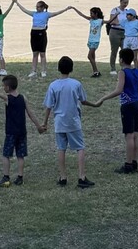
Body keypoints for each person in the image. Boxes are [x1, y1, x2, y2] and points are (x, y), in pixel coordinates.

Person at [92, 48, 138, 174]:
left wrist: (103, 98)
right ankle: (135, 162)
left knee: (129, 135)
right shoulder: (137, 70)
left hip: (127, 105)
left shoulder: (122, 72)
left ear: (121, 59)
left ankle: (128, 164)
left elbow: (119, 90)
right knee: (136, 133)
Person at [42, 56, 98, 188]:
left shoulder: (53, 85)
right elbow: (83, 100)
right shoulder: (76, 84)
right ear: (71, 69)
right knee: (80, 147)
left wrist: (44, 123)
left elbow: (48, 106)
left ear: (58, 69)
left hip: (59, 122)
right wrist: (95, 104)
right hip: (73, 121)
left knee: (61, 149)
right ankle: (81, 176)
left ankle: (63, 177)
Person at [0, 73, 45, 187]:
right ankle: (20, 177)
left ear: (8, 87)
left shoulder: (7, 98)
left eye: (4, 86)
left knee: (6, 155)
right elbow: (30, 113)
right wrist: (38, 126)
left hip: (11, 132)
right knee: (20, 155)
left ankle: (6, 177)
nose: (3, 88)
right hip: (22, 132)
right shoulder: (23, 98)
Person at [14, 0, 71, 78]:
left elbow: (56, 13)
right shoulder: (34, 13)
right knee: (35, 54)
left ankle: (43, 71)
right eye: (36, 7)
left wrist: (65, 9)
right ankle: (33, 71)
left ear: (43, 7)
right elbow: (24, 10)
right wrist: (17, 3)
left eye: (39, 7)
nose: (37, 8)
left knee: (42, 53)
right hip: (34, 33)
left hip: (41, 34)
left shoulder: (46, 14)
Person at [69, 6, 110, 78]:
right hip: (90, 40)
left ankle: (96, 71)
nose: (90, 15)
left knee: (89, 56)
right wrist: (74, 8)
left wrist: (116, 15)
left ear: (96, 14)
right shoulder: (91, 20)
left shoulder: (100, 21)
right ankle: (95, 72)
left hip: (95, 41)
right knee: (93, 57)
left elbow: (109, 21)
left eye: (92, 13)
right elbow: (81, 14)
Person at [107, 0, 130, 76]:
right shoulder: (115, 10)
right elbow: (112, 21)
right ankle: (113, 68)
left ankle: (124, 67)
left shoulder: (127, 11)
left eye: (127, 3)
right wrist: (119, 22)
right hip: (115, 31)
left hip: (124, 32)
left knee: (124, 50)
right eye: (124, 2)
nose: (125, 4)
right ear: (120, 2)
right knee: (114, 50)